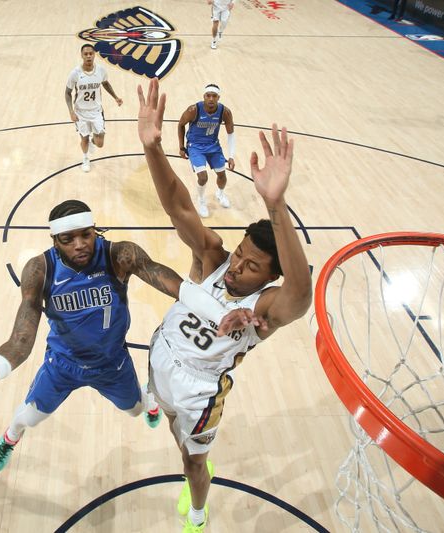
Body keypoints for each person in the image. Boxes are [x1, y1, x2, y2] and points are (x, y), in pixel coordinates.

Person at [137, 78, 312, 533]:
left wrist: (276, 205)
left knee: (191, 463)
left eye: (252, 265)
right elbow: (178, 207)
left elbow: (302, 292)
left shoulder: (268, 307)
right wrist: (153, 148)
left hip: (201, 389)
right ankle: (157, 404)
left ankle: (197, 514)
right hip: (160, 355)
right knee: (158, 402)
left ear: (270, 276)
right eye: (240, 253)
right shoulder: (213, 258)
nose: (236, 267)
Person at [0, 199, 191, 474]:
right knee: (28, 418)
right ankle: (10, 438)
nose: (79, 244)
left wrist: (200, 301)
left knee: (136, 411)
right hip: (63, 364)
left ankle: (150, 397)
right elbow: (20, 341)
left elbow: (161, 276)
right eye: (68, 239)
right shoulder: (39, 270)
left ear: (95, 231)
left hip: (111, 363)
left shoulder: (119, 255)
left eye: (86, 235)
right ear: (54, 240)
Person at [177, 83, 235, 218]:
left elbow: (231, 133)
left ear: (218, 98)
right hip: (195, 146)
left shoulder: (225, 112)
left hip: (213, 146)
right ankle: (201, 200)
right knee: (203, 177)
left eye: (214, 96)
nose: (210, 99)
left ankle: (220, 194)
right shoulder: (193, 110)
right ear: (204, 96)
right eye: (208, 96)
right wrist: (181, 147)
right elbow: (181, 125)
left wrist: (231, 156)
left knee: (222, 175)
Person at [65, 44, 123, 173]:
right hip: (81, 113)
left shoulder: (101, 70)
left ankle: (93, 140)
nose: (88, 56)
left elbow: (106, 83)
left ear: (94, 54)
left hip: (96, 112)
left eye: (91, 53)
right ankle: (85, 159)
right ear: (81, 55)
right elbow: (67, 93)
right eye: (85, 54)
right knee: (83, 138)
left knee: (100, 143)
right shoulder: (75, 73)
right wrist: (71, 112)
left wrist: (116, 97)